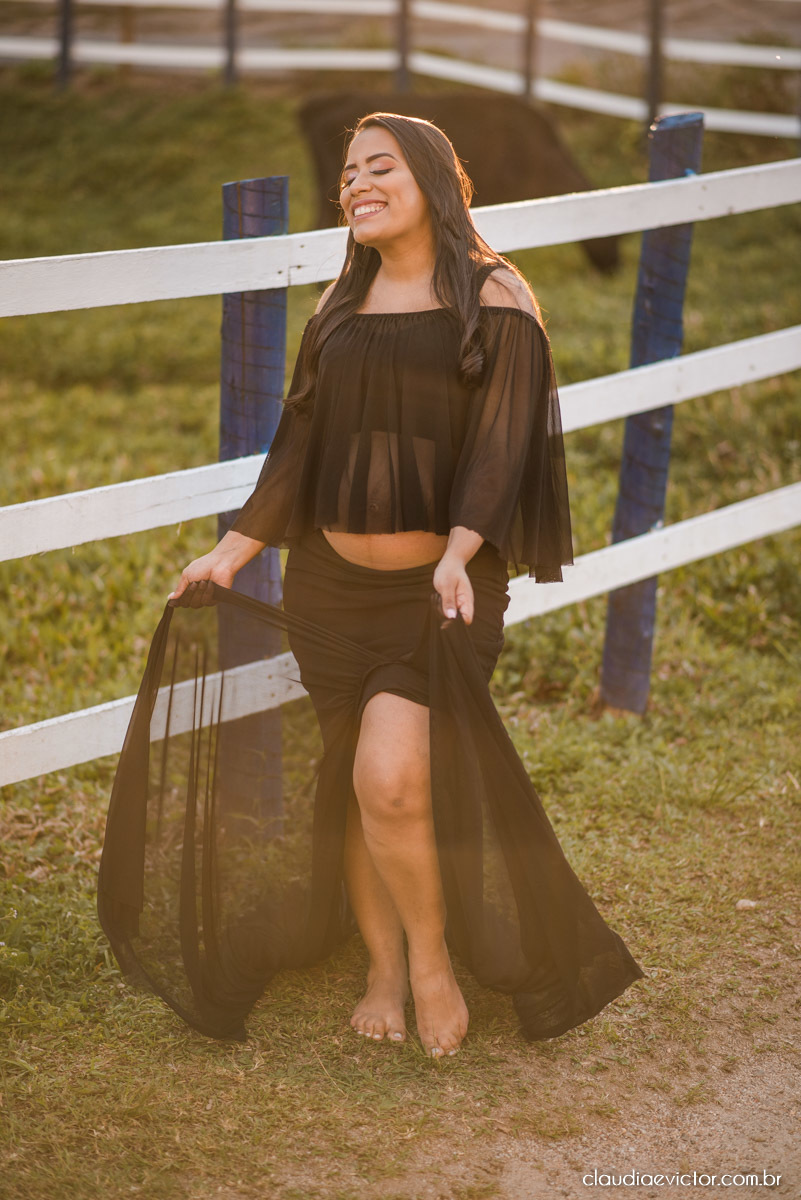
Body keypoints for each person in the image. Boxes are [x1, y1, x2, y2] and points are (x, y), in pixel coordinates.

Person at [103, 111, 643, 1058]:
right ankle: (382, 969)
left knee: (392, 783)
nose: (354, 184)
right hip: (328, 593)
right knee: (364, 787)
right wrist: (230, 554)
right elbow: (298, 446)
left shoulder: (494, 294)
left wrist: (456, 547)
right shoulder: (336, 309)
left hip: (435, 600)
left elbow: (501, 445)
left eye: (377, 167)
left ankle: (429, 963)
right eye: (346, 174)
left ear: (433, 177)